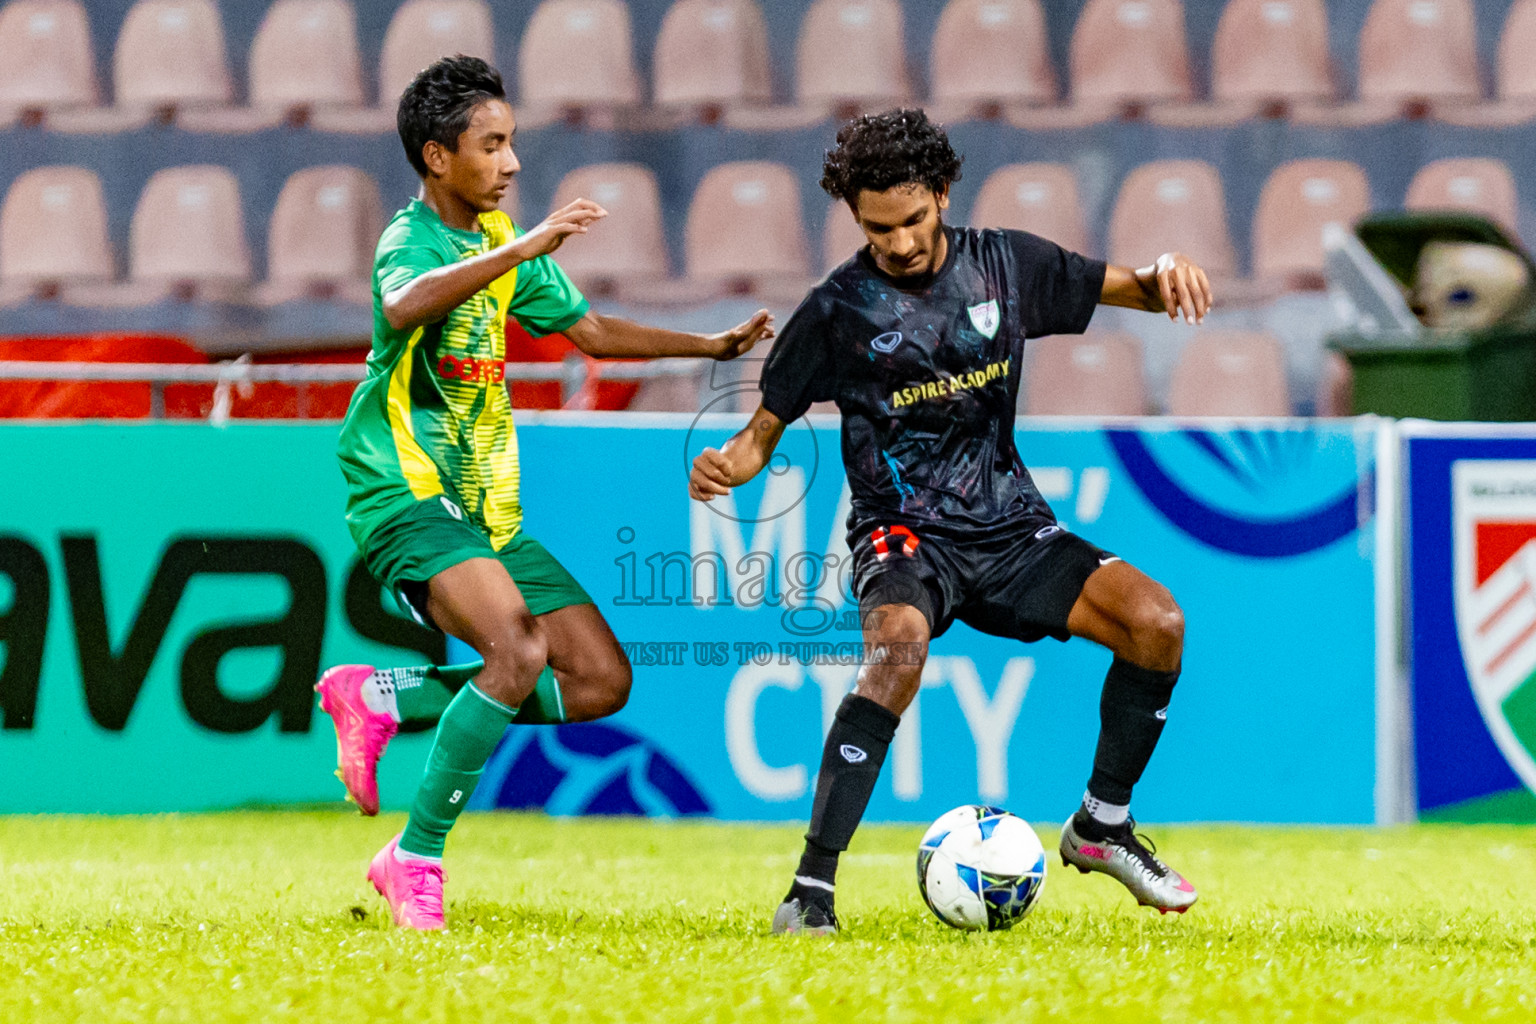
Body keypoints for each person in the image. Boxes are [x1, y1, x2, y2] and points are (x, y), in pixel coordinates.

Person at [689, 109, 1211, 936]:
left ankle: (1102, 825)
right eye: (876, 228)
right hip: (903, 534)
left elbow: (1135, 287)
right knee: (896, 650)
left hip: (1009, 530)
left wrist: (1167, 267)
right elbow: (759, 438)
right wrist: (727, 465)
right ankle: (811, 889)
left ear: (940, 194)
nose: (896, 243)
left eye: (911, 220)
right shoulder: (835, 309)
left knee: (1158, 623)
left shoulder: (1008, 265)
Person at [318, 55, 774, 931]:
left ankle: (388, 696)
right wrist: (521, 248)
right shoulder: (409, 240)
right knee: (519, 653)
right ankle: (413, 857)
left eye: (512, 143)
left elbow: (591, 331)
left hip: (485, 511)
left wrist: (709, 347)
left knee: (601, 680)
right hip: (403, 489)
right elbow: (405, 307)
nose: (513, 163)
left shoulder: (498, 242)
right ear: (436, 157)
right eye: (491, 146)